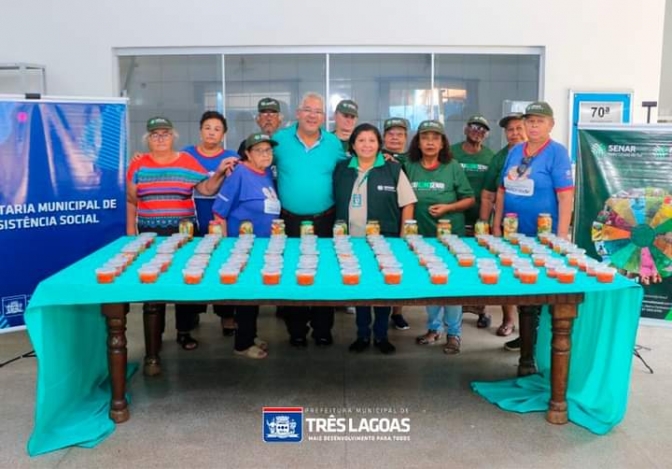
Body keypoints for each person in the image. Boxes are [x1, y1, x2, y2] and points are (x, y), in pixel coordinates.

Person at [126, 116, 235, 350]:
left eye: (165, 134)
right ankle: (153, 342)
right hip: (150, 234)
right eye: (155, 134)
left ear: (173, 136)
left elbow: (205, 188)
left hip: (184, 232)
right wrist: (130, 233)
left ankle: (184, 331)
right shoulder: (138, 164)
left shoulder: (186, 161)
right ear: (147, 138)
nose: (160, 138)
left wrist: (218, 174)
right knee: (152, 286)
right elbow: (131, 199)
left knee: (184, 281)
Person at [493, 101, 574, 353]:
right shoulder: (515, 151)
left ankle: (538, 343)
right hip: (512, 231)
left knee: (541, 287)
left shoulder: (557, 152)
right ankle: (526, 335)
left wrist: (561, 236)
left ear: (551, 124)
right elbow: (502, 189)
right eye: (529, 121)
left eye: (539, 121)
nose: (533, 125)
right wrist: (496, 225)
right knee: (519, 283)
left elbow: (565, 196)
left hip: (543, 234)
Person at [333, 123, 417, 355]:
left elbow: (407, 203)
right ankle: (362, 334)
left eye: (371, 140)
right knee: (360, 289)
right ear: (353, 145)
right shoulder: (342, 169)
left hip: (386, 240)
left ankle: (381, 335)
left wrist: (403, 238)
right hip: (351, 240)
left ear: (379, 145)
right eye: (361, 140)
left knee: (383, 289)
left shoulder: (392, 168)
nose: (366, 145)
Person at [272, 92, 347, 347]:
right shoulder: (279, 141)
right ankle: (296, 330)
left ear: (323, 117)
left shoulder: (333, 144)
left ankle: (323, 328)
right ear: (297, 113)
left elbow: (353, 164)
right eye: (308, 110)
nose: (312, 115)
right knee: (293, 273)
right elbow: (257, 160)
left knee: (323, 273)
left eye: (318, 111)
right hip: (289, 221)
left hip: (324, 220)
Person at [404, 120, 475, 354]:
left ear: (443, 142)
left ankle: (454, 334)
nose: (430, 142)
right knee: (430, 283)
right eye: (425, 138)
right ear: (418, 142)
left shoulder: (452, 166)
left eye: (436, 138)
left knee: (451, 286)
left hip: (449, 238)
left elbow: (469, 199)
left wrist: (448, 208)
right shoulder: (410, 165)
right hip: (421, 236)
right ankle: (433, 328)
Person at [212, 133, 280, 359]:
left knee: (255, 293)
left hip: (264, 245)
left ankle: (250, 334)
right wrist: (224, 246)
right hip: (242, 247)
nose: (265, 154)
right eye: (259, 150)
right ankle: (242, 344)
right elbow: (219, 211)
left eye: (268, 150)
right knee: (245, 295)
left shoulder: (266, 173)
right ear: (247, 154)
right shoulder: (240, 173)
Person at [183, 111, 240, 336]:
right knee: (190, 265)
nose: (212, 132)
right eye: (208, 127)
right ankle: (187, 321)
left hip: (221, 217)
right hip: (192, 215)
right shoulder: (187, 154)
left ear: (223, 134)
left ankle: (226, 316)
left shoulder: (231, 156)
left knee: (223, 264)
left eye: (217, 129)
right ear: (200, 130)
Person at [479, 112, 527, 337]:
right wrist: (486, 224)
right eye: (510, 130)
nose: (515, 133)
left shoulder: (544, 153)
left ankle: (532, 332)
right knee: (507, 271)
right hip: (506, 225)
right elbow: (489, 194)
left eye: (519, 128)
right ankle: (509, 319)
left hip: (537, 226)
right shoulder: (499, 158)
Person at [451, 114, 495, 329]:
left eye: (482, 129)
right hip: (454, 218)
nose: (477, 131)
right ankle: (454, 309)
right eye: (474, 127)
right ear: (465, 129)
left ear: (486, 135)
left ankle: (481, 310)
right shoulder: (452, 152)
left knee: (480, 264)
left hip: (481, 219)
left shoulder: (490, 157)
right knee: (457, 263)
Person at [381, 117, 412, 330]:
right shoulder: (378, 157)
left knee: (401, 267)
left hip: (410, 214)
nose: (395, 137)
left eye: (399, 134)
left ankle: (397, 312)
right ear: (384, 137)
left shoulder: (413, 159)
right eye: (390, 133)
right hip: (387, 217)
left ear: (406, 137)